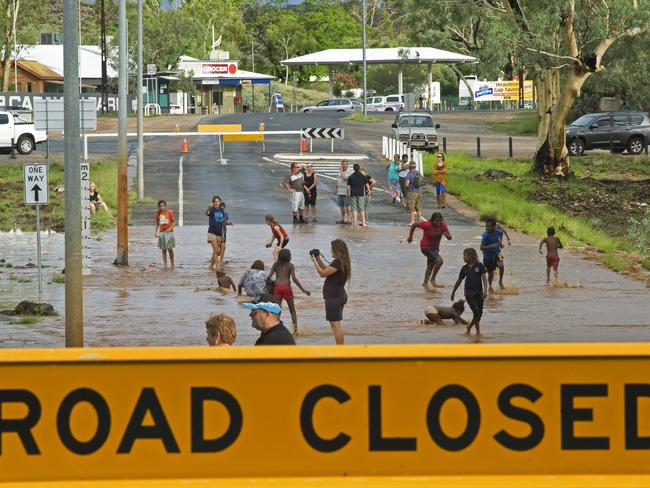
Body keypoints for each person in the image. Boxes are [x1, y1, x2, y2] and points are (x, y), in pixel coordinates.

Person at [311, 239, 351, 345]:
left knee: (335, 326)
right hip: (338, 295)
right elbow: (327, 269)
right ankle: (340, 349)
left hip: (334, 297)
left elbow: (322, 273)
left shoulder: (338, 262)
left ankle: (340, 352)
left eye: (332, 249)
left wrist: (314, 262)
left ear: (337, 250)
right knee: (336, 326)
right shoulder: (340, 262)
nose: (330, 250)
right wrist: (318, 258)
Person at [267, 249, 311, 334]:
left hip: (278, 288)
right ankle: (295, 330)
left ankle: (276, 329)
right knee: (292, 310)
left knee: (277, 310)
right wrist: (303, 290)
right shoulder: (290, 265)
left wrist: (272, 284)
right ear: (288, 257)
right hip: (287, 288)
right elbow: (294, 279)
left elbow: (268, 278)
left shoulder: (275, 265)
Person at [407, 212, 451, 288]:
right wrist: (410, 237)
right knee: (439, 261)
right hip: (425, 247)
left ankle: (425, 283)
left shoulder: (443, 225)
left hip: (435, 249)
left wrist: (448, 236)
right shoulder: (427, 224)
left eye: (440, 221)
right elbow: (414, 225)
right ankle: (433, 280)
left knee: (430, 266)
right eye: (436, 221)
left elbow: (448, 236)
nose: (438, 223)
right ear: (432, 220)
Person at [451, 248, 488, 336]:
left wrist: (485, 291)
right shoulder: (464, 268)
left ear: (471, 256)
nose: (463, 257)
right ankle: (469, 328)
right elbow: (459, 281)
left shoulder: (480, 266)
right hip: (469, 294)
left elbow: (484, 279)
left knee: (479, 314)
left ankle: (477, 332)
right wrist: (453, 292)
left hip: (479, 293)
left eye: (465, 255)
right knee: (476, 312)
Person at [204, 195, 232, 270]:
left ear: (220, 202)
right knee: (216, 250)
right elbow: (206, 213)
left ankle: (211, 265)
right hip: (212, 233)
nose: (217, 203)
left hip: (220, 233)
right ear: (213, 202)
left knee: (218, 250)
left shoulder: (222, 211)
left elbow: (223, 223)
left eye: (218, 201)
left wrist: (228, 223)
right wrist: (208, 207)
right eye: (215, 202)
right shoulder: (212, 209)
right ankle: (217, 266)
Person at [480, 217, 506, 292]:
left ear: (494, 226)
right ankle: (490, 286)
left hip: (498, 253)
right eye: (486, 226)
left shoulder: (498, 231)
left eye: (489, 226)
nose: (487, 227)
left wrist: (500, 242)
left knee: (501, 266)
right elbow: (481, 248)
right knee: (490, 273)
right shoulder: (485, 235)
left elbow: (501, 233)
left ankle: (500, 281)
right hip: (487, 257)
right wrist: (491, 246)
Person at [154, 199, 176, 270]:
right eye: (160, 206)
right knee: (163, 249)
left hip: (169, 232)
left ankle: (172, 264)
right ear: (159, 207)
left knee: (170, 248)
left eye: (163, 205)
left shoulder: (169, 212)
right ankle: (165, 264)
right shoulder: (158, 213)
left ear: (165, 205)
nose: (162, 207)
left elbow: (174, 222)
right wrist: (156, 231)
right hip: (162, 232)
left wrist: (170, 228)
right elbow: (157, 223)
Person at [347, 163, 368, 227]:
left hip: (353, 193)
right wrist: (369, 191)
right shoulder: (363, 176)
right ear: (359, 168)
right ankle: (363, 223)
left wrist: (347, 193)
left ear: (353, 169)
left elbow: (348, 187)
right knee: (362, 209)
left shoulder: (350, 177)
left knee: (354, 208)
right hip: (361, 194)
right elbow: (366, 184)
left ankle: (355, 223)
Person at [404, 161, 423, 225]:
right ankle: (420, 221)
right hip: (419, 192)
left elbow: (407, 184)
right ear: (415, 166)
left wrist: (406, 188)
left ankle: (412, 221)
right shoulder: (419, 173)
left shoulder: (409, 174)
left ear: (409, 167)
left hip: (411, 192)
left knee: (411, 207)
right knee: (418, 207)